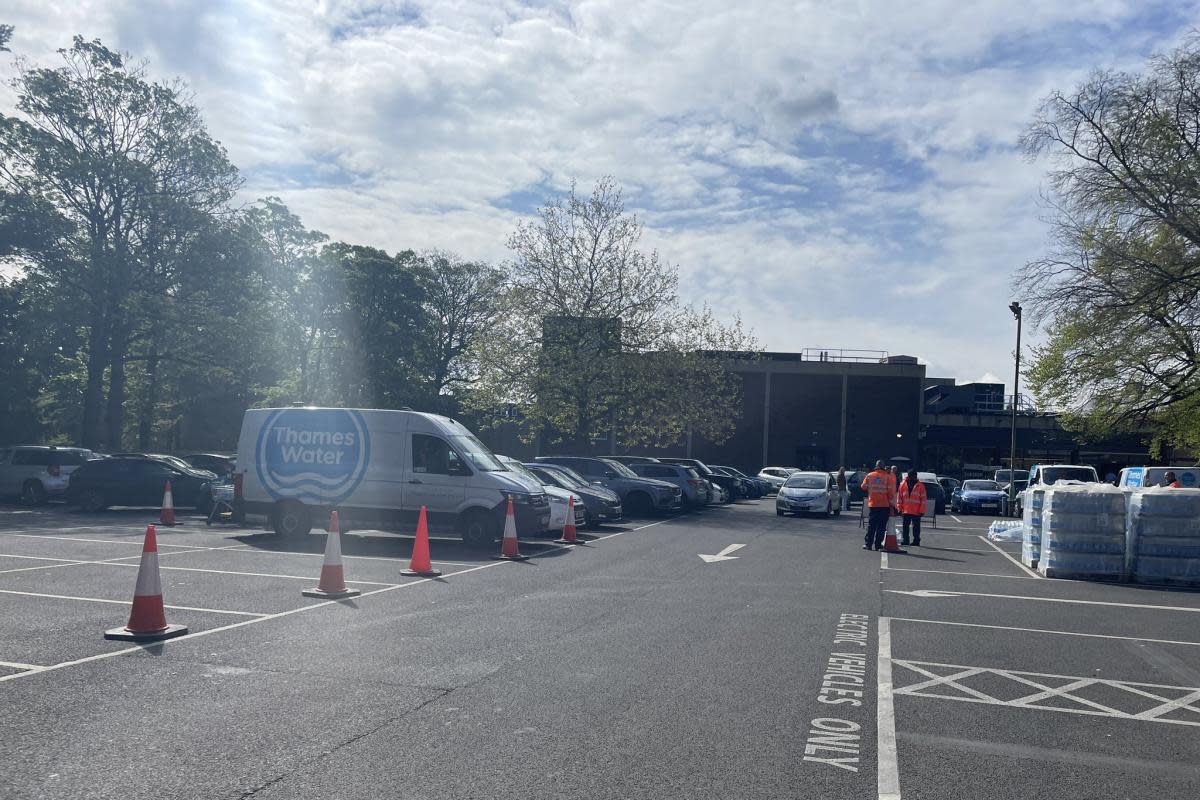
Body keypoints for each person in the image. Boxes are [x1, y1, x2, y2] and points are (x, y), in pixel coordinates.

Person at [861, 460, 897, 551]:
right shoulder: (887, 477)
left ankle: (868, 544)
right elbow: (890, 492)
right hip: (884, 505)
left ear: (876, 466)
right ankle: (878, 545)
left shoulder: (870, 475)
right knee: (881, 526)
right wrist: (892, 503)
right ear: (884, 467)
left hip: (873, 504)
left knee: (871, 525)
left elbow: (863, 487)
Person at [896, 468, 927, 546]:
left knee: (916, 528)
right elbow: (899, 498)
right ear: (909, 477)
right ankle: (906, 540)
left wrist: (922, 511)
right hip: (905, 510)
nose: (915, 478)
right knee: (905, 527)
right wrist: (899, 509)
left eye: (915, 476)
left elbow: (923, 499)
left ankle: (916, 541)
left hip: (916, 511)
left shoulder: (921, 486)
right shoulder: (902, 485)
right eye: (913, 476)